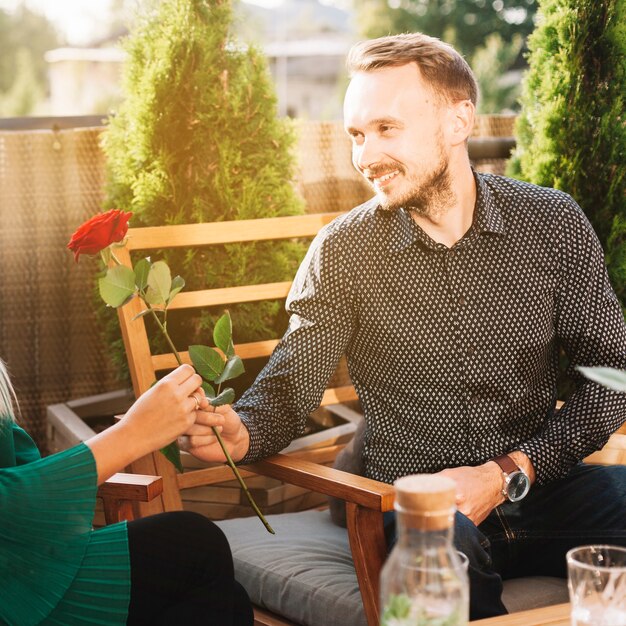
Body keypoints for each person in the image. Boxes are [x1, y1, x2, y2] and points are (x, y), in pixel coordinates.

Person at [184, 33, 626, 619]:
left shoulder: (551, 224)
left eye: (385, 129)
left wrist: (509, 472)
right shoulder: (343, 252)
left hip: (541, 487)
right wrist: (239, 432)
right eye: (356, 136)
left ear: (457, 120)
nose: (365, 157)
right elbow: (289, 389)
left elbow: (612, 373)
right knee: (434, 566)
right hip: (416, 506)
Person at [0, 359, 253, 626]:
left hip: (22, 558)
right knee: (196, 544)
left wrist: (241, 437)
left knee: (234, 603)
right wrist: (135, 432)